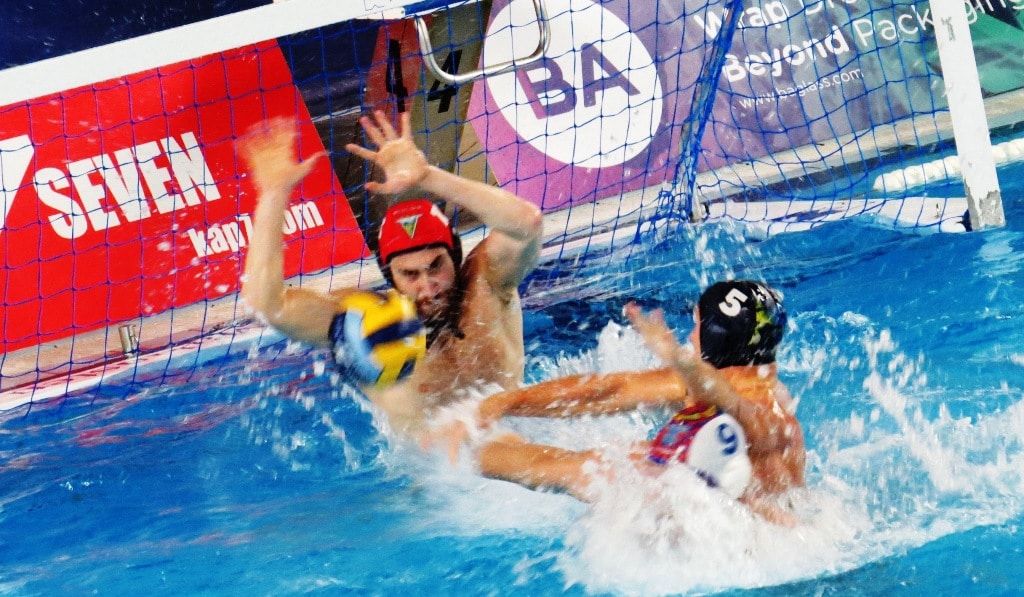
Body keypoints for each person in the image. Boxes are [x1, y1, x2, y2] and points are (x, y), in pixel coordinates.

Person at [239, 111, 543, 434]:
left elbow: (527, 224)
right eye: (410, 275)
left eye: (436, 266)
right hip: (434, 466)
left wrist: (428, 176)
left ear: (455, 255)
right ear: (390, 276)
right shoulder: (364, 324)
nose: (428, 286)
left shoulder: (486, 284)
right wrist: (273, 194)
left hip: (518, 442)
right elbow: (267, 305)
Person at [427, 280, 806, 524]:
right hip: (705, 522)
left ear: (714, 336)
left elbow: (736, 408)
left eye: (696, 326)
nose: (690, 335)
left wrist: (679, 358)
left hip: (741, 544)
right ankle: (471, 443)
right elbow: (610, 390)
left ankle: (455, 451)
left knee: (596, 468)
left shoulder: (770, 416)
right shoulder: (716, 381)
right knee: (619, 460)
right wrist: (506, 401)